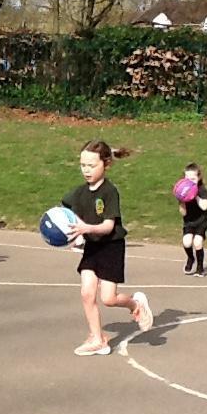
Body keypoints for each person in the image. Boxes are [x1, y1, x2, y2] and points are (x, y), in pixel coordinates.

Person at [62, 140, 154, 356]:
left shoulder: (109, 192)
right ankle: (98, 339)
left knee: (108, 299)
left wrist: (86, 228)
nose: (86, 170)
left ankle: (135, 304)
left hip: (111, 247)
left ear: (106, 164)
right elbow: (64, 209)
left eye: (91, 166)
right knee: (86, 293)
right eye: (83, 165)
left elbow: (108, 226)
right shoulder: (78, 193)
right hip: (92, 248)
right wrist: (69, 229)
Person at [178, 162, 207, 277]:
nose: (190, 181)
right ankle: (191, 258)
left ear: (199, 178)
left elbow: (204, 207)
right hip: (189, 221)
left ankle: (200, 268)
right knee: (186, 242)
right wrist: (182, 202)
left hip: (201, 220)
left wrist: (195, 195)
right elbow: (183, 213)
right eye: (187, 179)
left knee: (197, 242)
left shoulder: (202, 190)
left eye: (193, 179)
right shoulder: (183, 191)